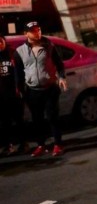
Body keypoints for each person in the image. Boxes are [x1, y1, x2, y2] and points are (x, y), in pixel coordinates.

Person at [14, 21, 67, 157]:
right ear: (26, 34)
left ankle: (58, 144)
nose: (37, 32)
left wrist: (61, 78)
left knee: (52, 117)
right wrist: (19, 89)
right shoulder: (20, 51)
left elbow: (59, 64)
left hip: (49, 88)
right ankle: (41, 145)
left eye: (39, 29)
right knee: (37, 119)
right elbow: (19, 72)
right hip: (32, 90)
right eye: (33, 30)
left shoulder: (49, 46)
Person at [0, 34, 27, 156]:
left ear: (4, 41)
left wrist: (20, 88)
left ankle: (23, 144)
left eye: (0, 41)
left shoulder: (12, 53)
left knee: (19, 120)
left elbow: (21, 72)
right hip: (1, 96)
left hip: (14, 94)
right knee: (5, 122)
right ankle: (7, 146)